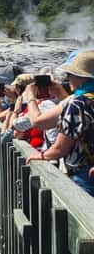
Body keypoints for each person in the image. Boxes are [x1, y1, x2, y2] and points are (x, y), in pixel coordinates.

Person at [27, 50, 94, 194]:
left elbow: (60, 148)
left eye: (70, 74)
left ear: (82, 78)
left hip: (85, 174)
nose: (67, 78)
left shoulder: (78, 103)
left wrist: (42, 156)